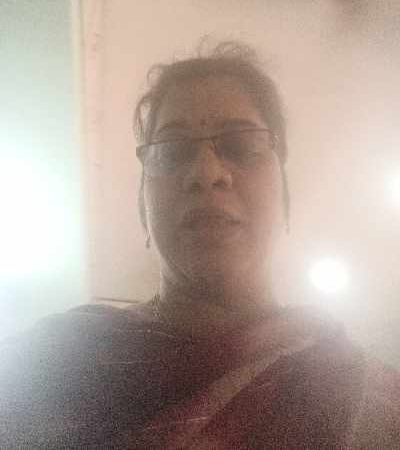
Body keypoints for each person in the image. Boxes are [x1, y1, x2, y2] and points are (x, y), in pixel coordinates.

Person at [0, 42, 399, 449]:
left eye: (242, 146)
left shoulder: (373, 404)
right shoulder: (47, 366)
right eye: (173, 152)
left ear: (285, 199)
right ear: (143, 209)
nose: (207, 173)